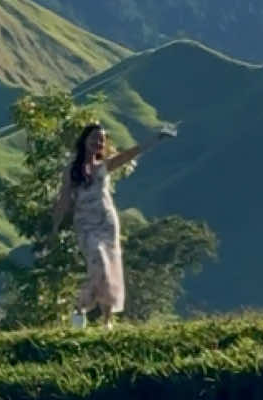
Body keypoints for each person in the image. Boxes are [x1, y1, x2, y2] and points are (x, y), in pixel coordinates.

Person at [51, 119, 176, 331]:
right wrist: (55, 226)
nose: (98, 143)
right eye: (94, 138)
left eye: (101, 140)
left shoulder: (104, 166)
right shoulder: (72, 169)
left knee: (109, 268)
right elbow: (64, 198)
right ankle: (80, 307)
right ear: (84, 141)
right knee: (98, 262)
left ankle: (106, 320)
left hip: (107, 222)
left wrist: (156, 138)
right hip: (85, 224)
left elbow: (131, 153)